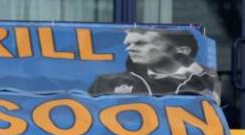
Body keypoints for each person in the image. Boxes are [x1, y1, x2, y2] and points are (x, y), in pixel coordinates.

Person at [89, 28, 220, 101]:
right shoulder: (106, 84)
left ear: (182, 51)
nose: (129, 49)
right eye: (128, 44)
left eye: (141, 43)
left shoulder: (208, 81)